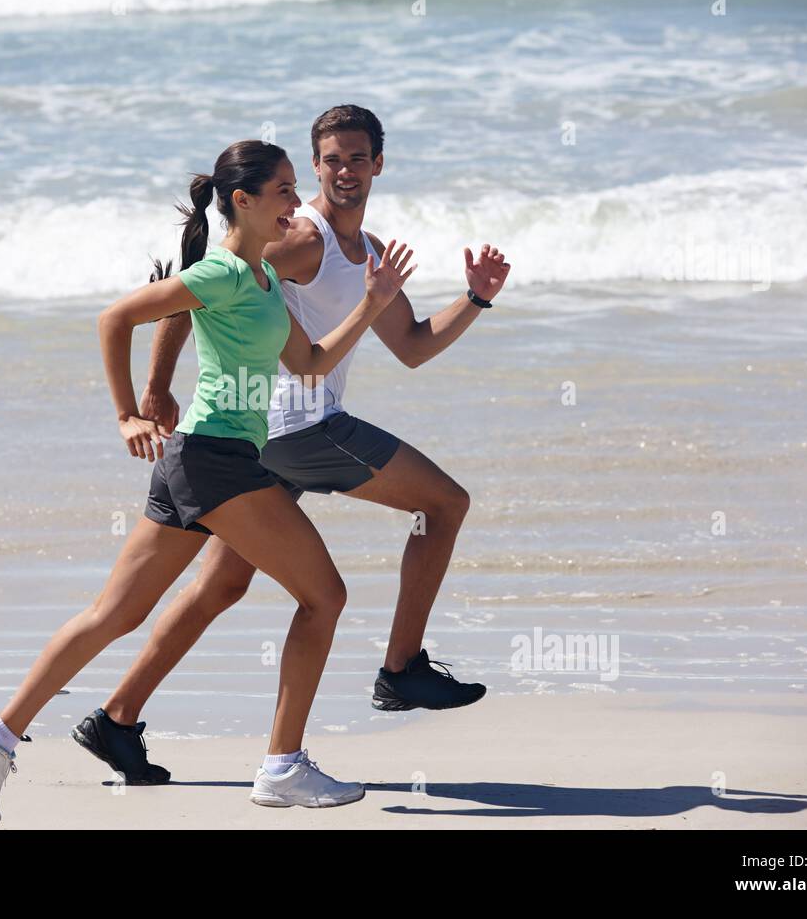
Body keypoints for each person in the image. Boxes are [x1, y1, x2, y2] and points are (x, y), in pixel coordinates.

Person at [0, 138, 416, 824]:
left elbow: (313, 362)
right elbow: (116, 317)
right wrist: (127, 415)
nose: (297, 201)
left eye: (295, 187)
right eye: (286, 189)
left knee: (116, 613)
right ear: (244, 201)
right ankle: (283, 766)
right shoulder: (223, 275)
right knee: (325, 596)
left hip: (201, 460)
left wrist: (374, 303)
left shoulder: (263, 281)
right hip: (215, 461)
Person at [77, 105, 510, 785]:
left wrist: (476, 300)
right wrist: (156, 389)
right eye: (332, 159)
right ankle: (402, 669)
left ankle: (117, 719)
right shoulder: (302, 239)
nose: (345, 171)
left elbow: (414, 346)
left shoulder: (361, 252)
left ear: (378, 165)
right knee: (444, 504)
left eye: (357, 158)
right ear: (314, 166)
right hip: (297, 427)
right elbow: (201, 285)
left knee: (221, 584)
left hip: (258, 442)